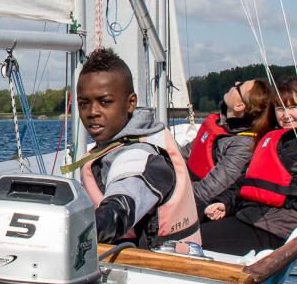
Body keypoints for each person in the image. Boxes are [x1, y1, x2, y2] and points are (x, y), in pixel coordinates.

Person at [201, 80, 297, 254]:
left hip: (276, 227)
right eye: (280, 109)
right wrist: (223, 203)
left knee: (189, 241)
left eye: (293, 107)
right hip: (247, 215)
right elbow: (245, 180)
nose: (286, 115)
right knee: (185, 227)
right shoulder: (271, 138)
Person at [72, 48, 201, 248]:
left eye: (105, 102)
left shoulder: (141, 156)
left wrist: (69, 234)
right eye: (84, 103)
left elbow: (121, 208)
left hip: (155, 265)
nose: (92, 112)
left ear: (131, 103)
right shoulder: (113, 145)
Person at [184, 78, 273, 217]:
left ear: (239, 106)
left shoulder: (244, 145)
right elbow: (185, 153)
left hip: (197, 206)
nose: (236, 83)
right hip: (185, 184)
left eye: (240, 86)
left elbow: (208, 191)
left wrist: (173, 195)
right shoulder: (220, 125)